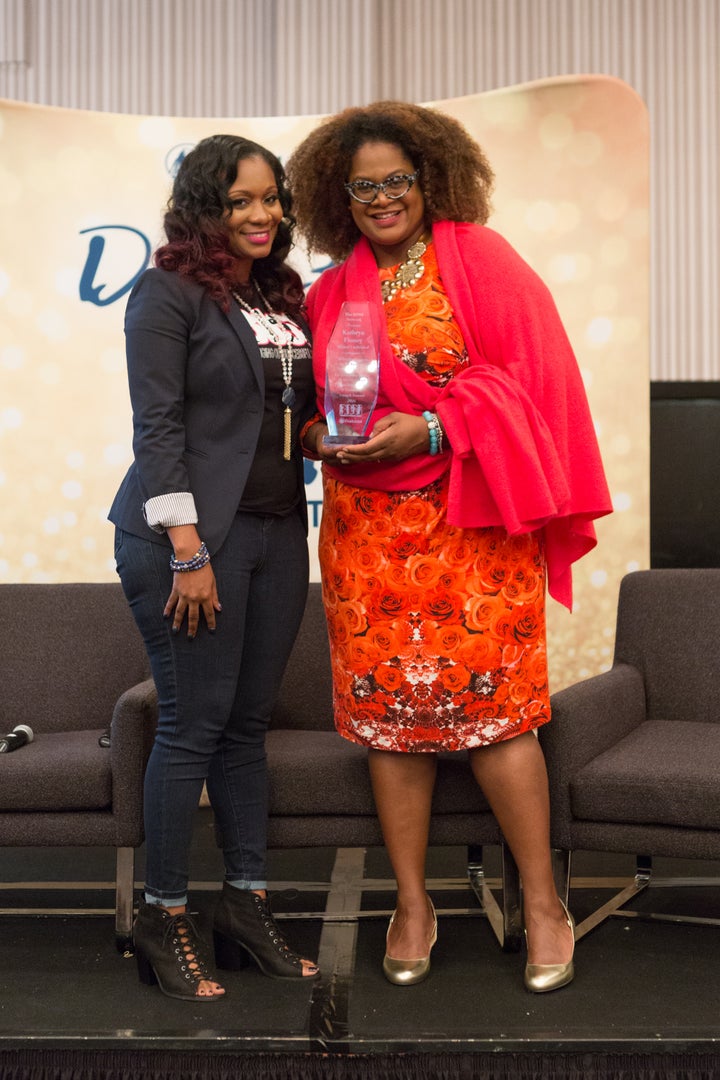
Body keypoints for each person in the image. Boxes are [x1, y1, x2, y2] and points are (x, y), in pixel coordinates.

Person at [286, 102, 612, 992]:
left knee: (497, 716)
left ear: (432, 180)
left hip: (471, 526)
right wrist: (322, 440)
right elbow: (312, 412)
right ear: (339, 196)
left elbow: (530, 387)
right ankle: (411, 904)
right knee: (393, 728)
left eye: (399, 179)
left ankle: (545, 904)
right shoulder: (327, 291)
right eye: (365, 186)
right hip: (366, 536)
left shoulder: (482, 261)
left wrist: (429, 431)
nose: (384, 197)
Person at [109, 134, 320, 1001]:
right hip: (189, 540)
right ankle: (162, 913)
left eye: (271, 198)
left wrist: (319, 437)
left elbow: (278, 415)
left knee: (245, 725)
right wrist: (187, 550)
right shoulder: (168, 294)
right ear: (205, 208)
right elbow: (157, 427)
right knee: (194, 723)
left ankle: (243, 902)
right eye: (241, 201)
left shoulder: (278, 296)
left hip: (276, 531)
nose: (262, 214)